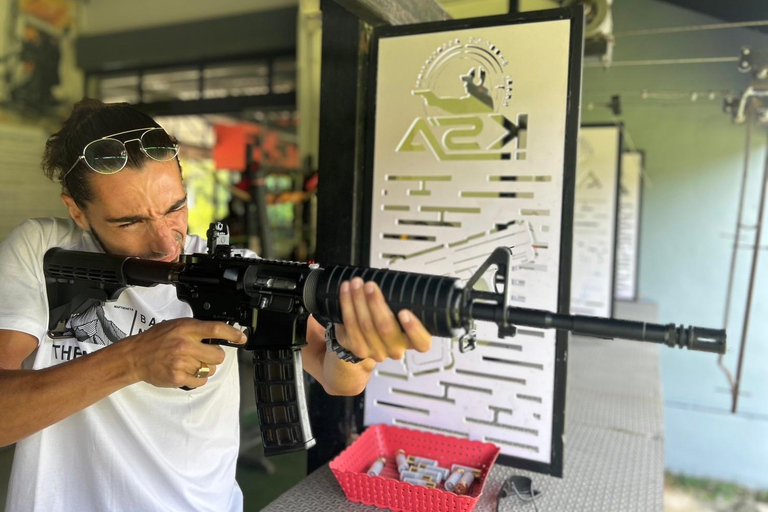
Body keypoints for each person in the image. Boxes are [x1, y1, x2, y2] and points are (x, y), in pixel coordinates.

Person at [0, 98, 433, 511]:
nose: (163, 239)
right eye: (129, 221)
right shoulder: (40, 248)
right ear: (77, 211)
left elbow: (339, 378)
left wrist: (353, 344)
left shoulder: (241, 272)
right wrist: (132, 360)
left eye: (175, 207)